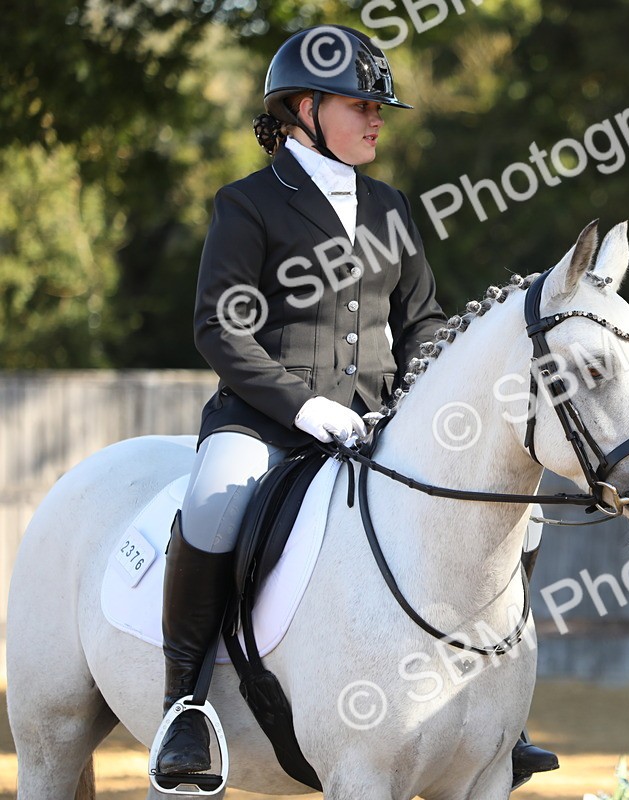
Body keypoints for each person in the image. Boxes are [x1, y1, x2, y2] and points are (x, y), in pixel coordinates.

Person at [156, 24, 559, 786]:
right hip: (267, 422)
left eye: (380, 106)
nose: (377, 118)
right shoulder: (247, 205)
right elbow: (219, 327)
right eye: (360, 104)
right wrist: (305, 409)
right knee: (211, 502)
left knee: (524, 510)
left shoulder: (388, 206)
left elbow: (424, 321)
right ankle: (184, 709)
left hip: (376, 422)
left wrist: (424, 400)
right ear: (303, 108)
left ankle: (500, 713)